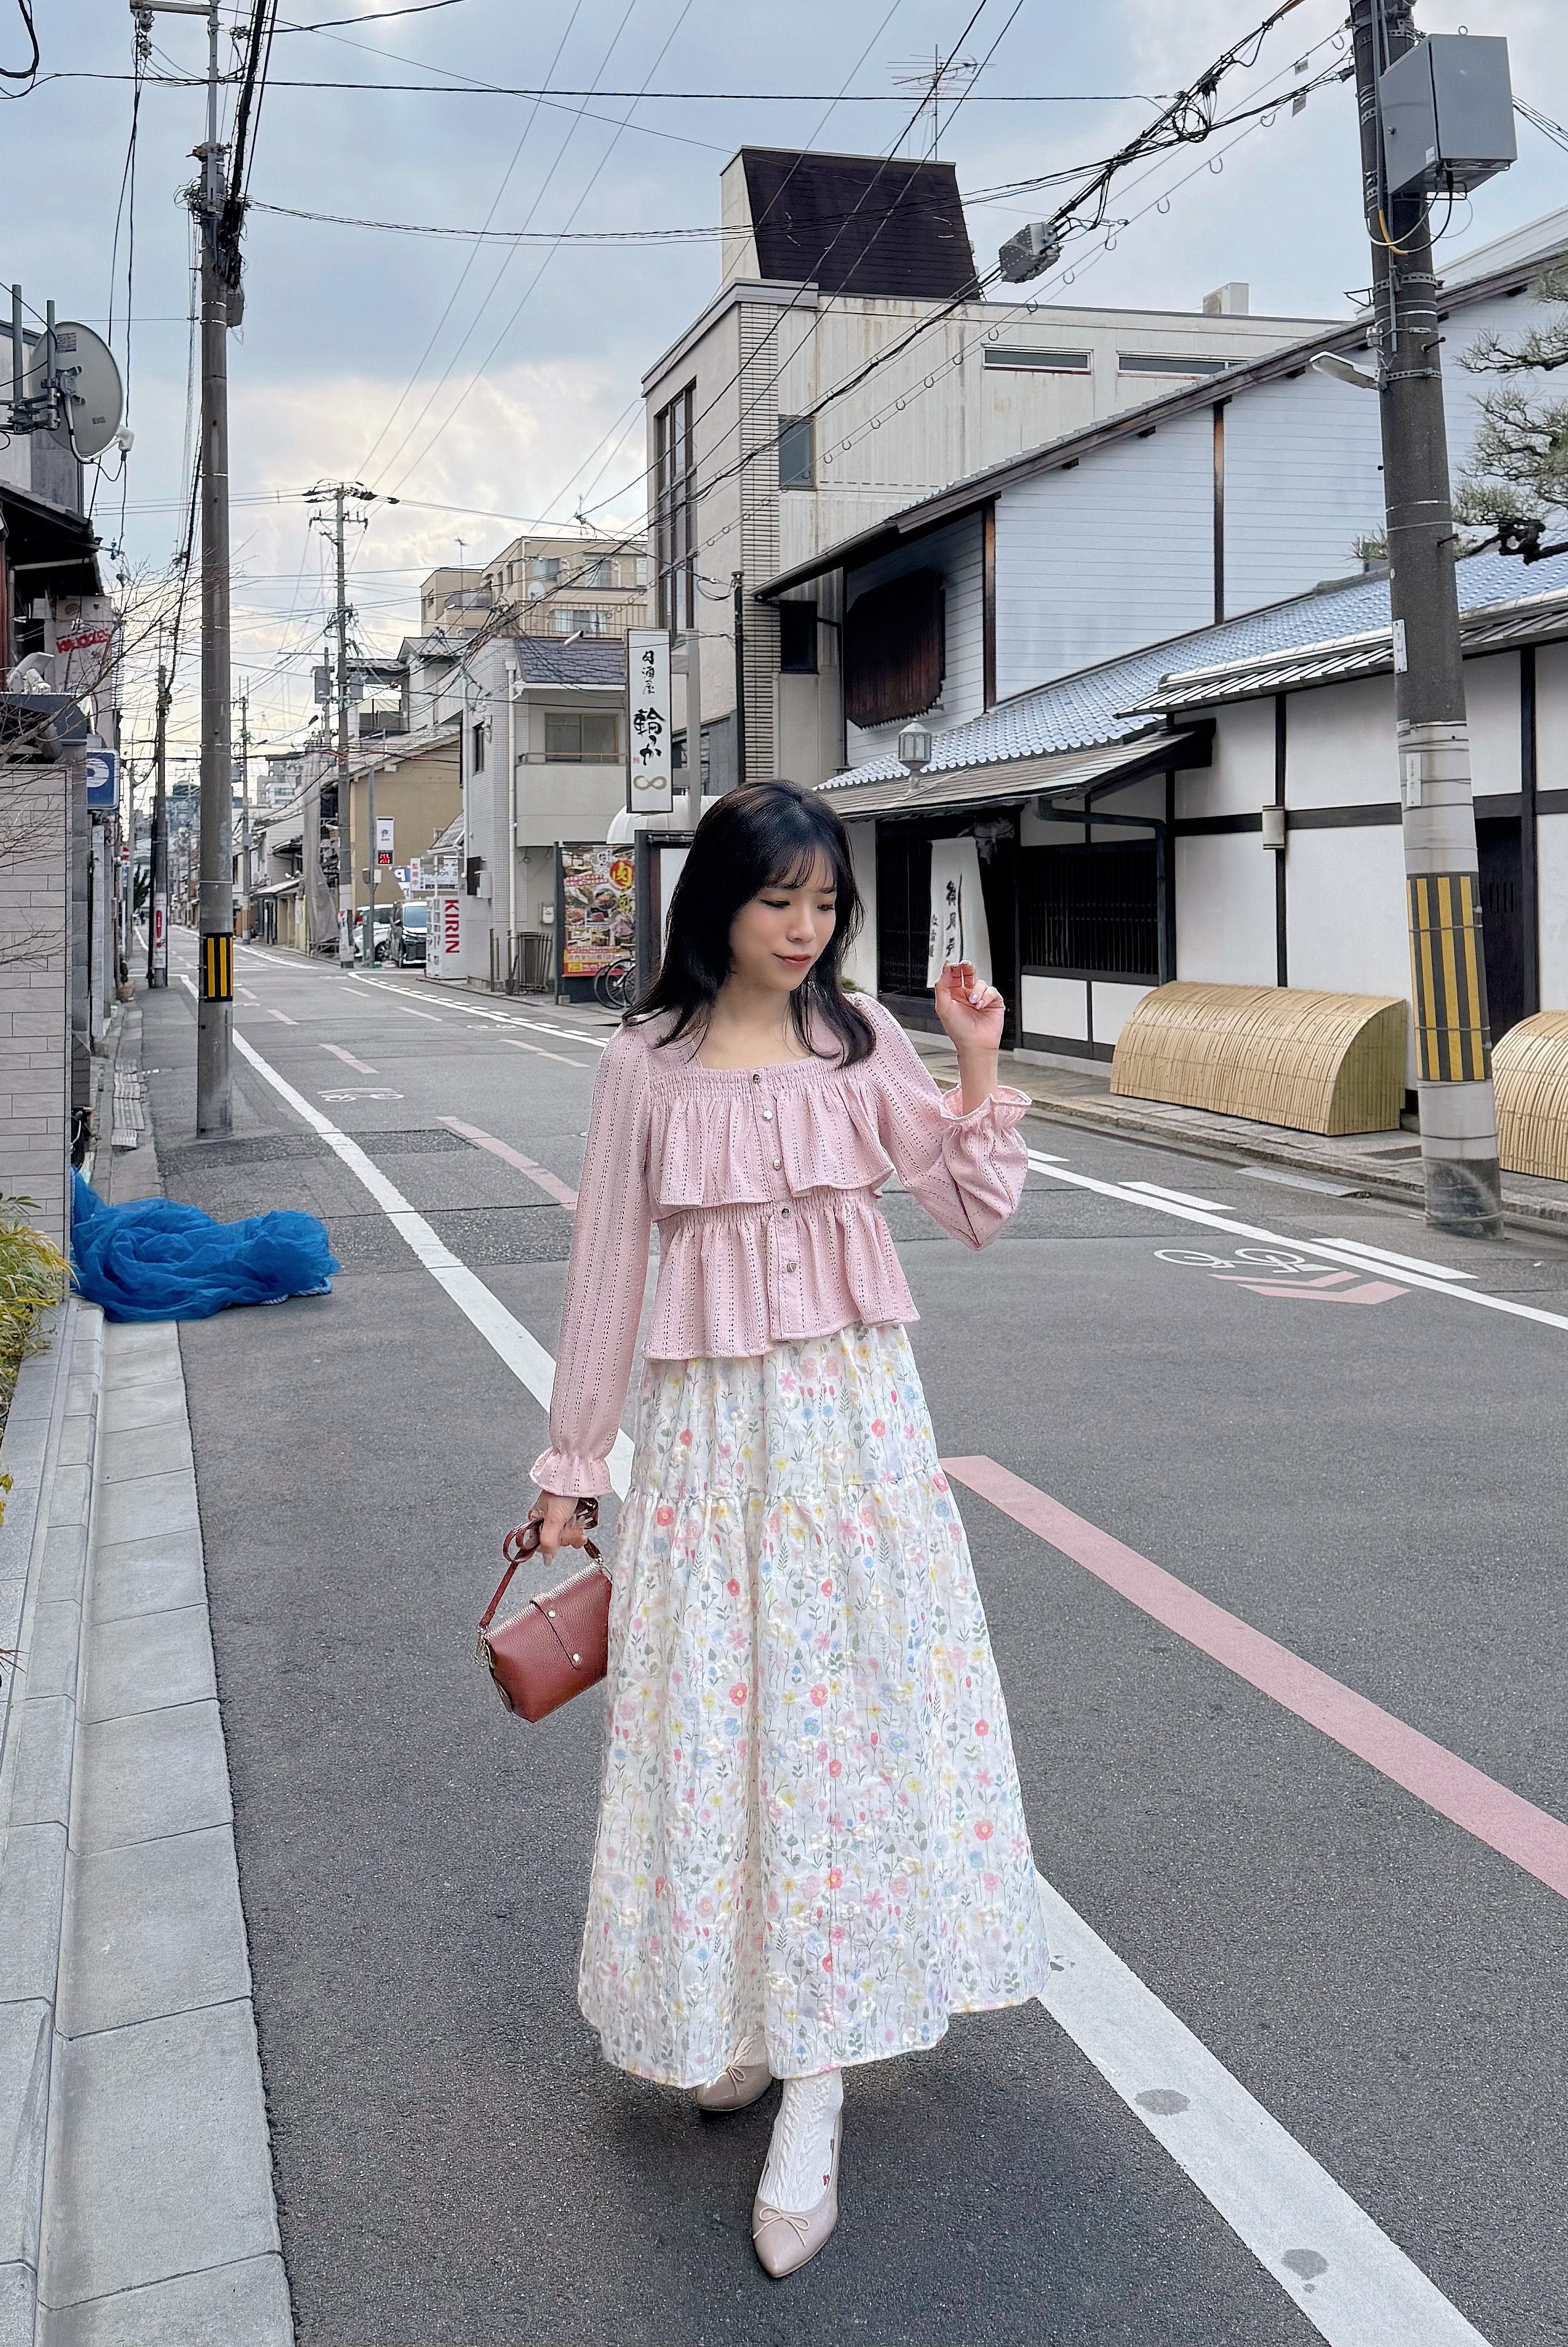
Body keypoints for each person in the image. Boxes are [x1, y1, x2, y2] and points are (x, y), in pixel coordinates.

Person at [530, 780, 1049, 2278]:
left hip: (849, 1435)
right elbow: (607, 1269)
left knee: (837, 1724)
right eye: (782, 903)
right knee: (719, 1715)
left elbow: (974, 1205)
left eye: (827, 907)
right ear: (719, 904)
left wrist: (974, 1060)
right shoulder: (646, 1061)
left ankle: (816, 2072)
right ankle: (747, 2019)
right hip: (704, 1444)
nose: (807, 931)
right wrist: (574, 1459)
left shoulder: (855, 1041)